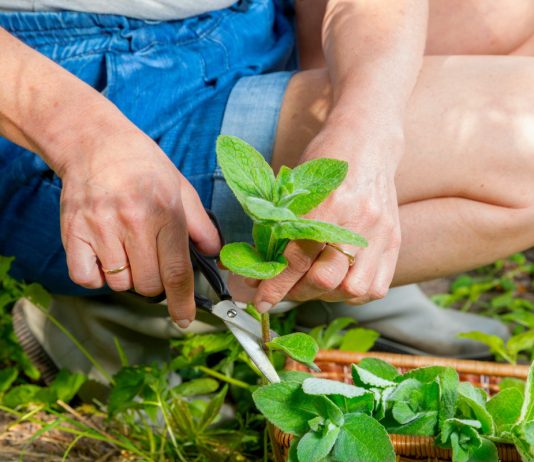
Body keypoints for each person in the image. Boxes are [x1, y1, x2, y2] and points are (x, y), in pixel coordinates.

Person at [3, 0, 532, 385]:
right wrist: (83, 139)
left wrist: (367, 130)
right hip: (61, 92)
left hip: (246, 27)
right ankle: (134, 309)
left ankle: (327, 292)